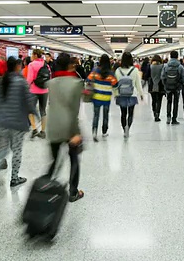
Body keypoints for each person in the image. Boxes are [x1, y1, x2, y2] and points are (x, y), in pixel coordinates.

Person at [0, 57, 38, 187]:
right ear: (17, 66)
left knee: (1, 150)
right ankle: (14, 178)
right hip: (17, 123)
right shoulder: (21, 82)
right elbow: (28, 103)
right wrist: (36, 114)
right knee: (16, 151)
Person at [46, 53, 85, 202]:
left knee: (54, 160)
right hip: (69, 128)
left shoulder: (51, 83)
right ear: (70, 65)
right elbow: (74, 111)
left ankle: (46, 187)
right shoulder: (76, 83)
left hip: (53, 125)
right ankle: (73, 192)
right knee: (74, 159)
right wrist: (75, 132)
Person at [87, 54, 118, 142]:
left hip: (96, 96)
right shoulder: (111, 73)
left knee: (96, 115)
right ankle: (104, 132)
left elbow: (88, 79)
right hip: (106, 97)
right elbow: (115, 84)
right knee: (105, 115)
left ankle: (94, 133)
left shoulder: (95, 70)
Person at [115, 53, 144, 138]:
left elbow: (115, 84)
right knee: (130, 113)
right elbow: (138, 83)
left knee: (123, 113)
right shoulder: (135, 70)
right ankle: (128, 127)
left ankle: (124, 130)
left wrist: (115, 94)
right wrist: (141, 94)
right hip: (132, 94)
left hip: (121, 94)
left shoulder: (118, 70)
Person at [26, 49, 50, 138]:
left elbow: (29, 79)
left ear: (35, 55)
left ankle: (34, 129)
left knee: (30, 110)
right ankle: (43, 131)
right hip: (44, 90)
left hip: (33, 91)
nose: (31, 56)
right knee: (43, 111)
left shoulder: (31, 65)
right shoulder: (46, 65)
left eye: (32, 54)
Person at [161, 51, 184, 125]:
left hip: (168, 87)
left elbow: (162, 77)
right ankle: (174, 119)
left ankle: (168, 116)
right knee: (176, 103)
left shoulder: (166, 66)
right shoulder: (180, 66)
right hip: (177, 88)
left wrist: (165, 85)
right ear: (177, 57)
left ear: (170, 56)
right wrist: (181, 84)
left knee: (169, 102)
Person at [148, 55, 165, 122]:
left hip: (152, 85)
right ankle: (157, 114)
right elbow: (164, 76)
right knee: (159, 101)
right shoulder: (162, 66)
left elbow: (147, 76)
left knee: (153, 100)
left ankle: (154, 112)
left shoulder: (150, 66)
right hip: (160, 85)